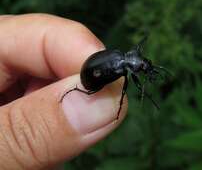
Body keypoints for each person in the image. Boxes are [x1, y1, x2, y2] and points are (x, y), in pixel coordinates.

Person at [0, 14, 128, 169]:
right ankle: (74, 92)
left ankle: (75, 90)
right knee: (94, 93)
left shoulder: (118, 57)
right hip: (88, 76)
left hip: (88, 71)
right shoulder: (120, 67)